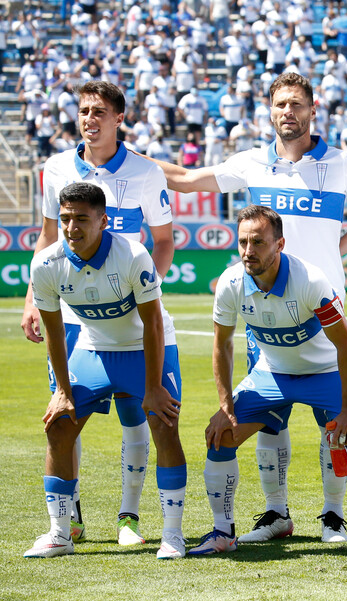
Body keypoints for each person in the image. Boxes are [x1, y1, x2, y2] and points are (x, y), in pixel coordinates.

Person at [149, 72, 347, 552]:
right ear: (269, 110)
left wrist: (342, 245)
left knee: (334, 422)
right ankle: (277, 512)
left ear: (313, 108)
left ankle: (334, 515)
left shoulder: (340, 163)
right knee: (270, 422)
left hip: (320, 307)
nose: (288, 112)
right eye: (280, 104)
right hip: (265, 312)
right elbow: (186, 178)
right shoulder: (253, 163)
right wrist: (127, 154)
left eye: (296, 104)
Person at [20, 80, 176, 548]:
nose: (90, 119)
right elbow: (48, 236)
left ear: (119, 119)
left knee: (136, 411)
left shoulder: (148, 173)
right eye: (84, 111)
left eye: (99, 112)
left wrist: (147, 290)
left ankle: (129, 516)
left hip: (128, 314)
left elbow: (164, 239)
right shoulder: (56, 167)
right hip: (71, 313)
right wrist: (33, 297)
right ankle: (71, 518)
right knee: (64, 410)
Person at [190, 205, 347, 559]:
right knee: (220, 435)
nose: (249, 251)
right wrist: (225, 406)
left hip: (325, 372)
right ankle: (223, 531)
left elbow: (346, 347)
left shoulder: (310, 280)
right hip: (272, 374)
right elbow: (221, 346)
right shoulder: (231, 284)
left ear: (279, 243)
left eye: (259, 242)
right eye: (243, 242)